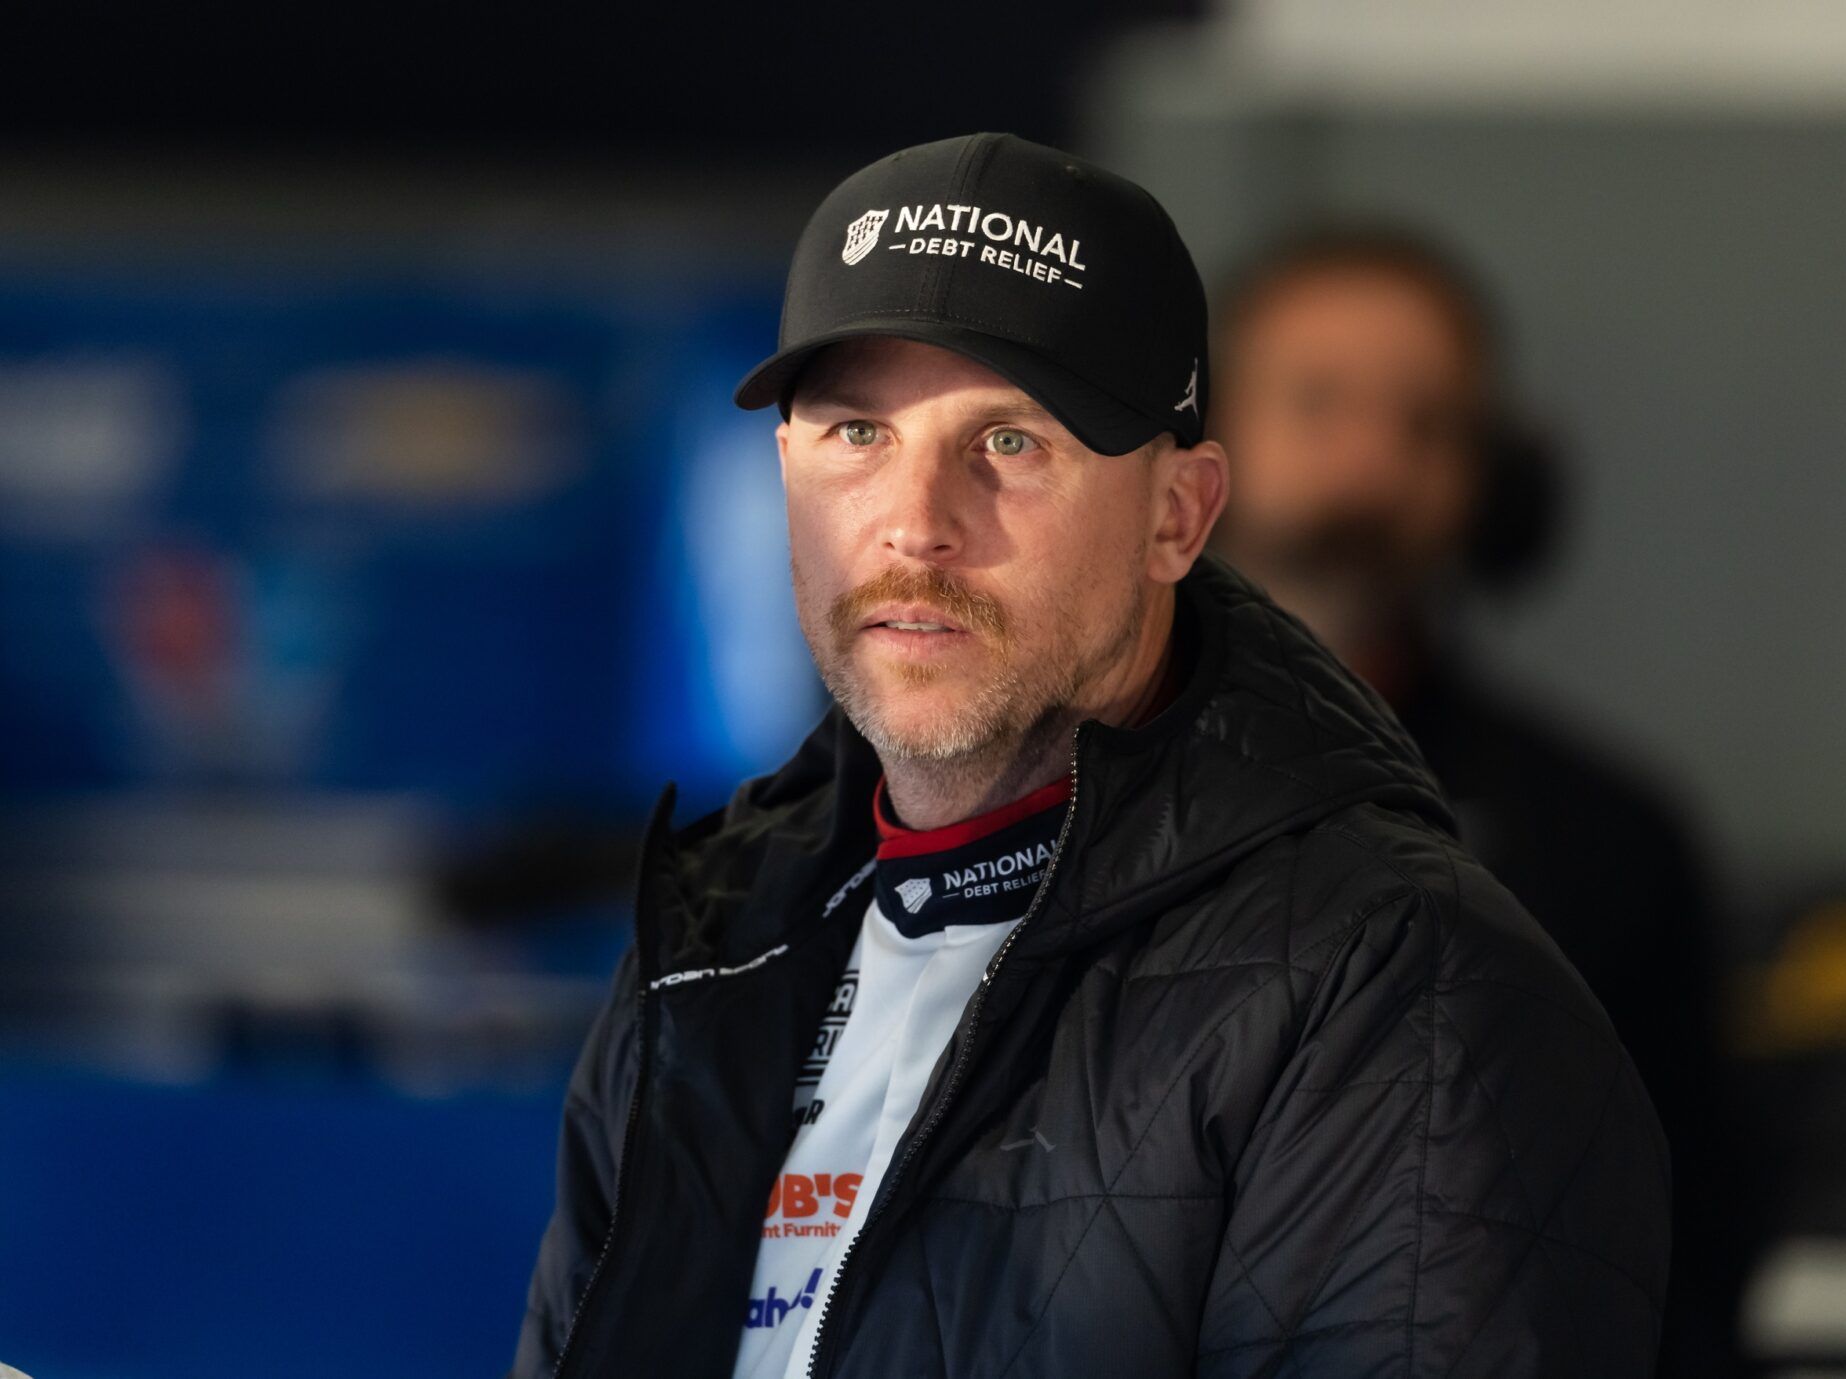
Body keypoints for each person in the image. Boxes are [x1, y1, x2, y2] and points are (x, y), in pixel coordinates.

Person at [511, 135, 1670, 1379]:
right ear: (786, 468)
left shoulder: (1402, 986)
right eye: (858, 432)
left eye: (1010, 442)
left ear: (1179, 514)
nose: (916, 522)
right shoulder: (711, 946)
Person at [1209, 225, 1749, 1376]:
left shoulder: (1609, 838)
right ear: (1200, 438)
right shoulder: (1050, 788)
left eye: (1426, 422)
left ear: (1492, 479)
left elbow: (1691, 1252)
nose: (1370, 460)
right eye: (1316, 401)